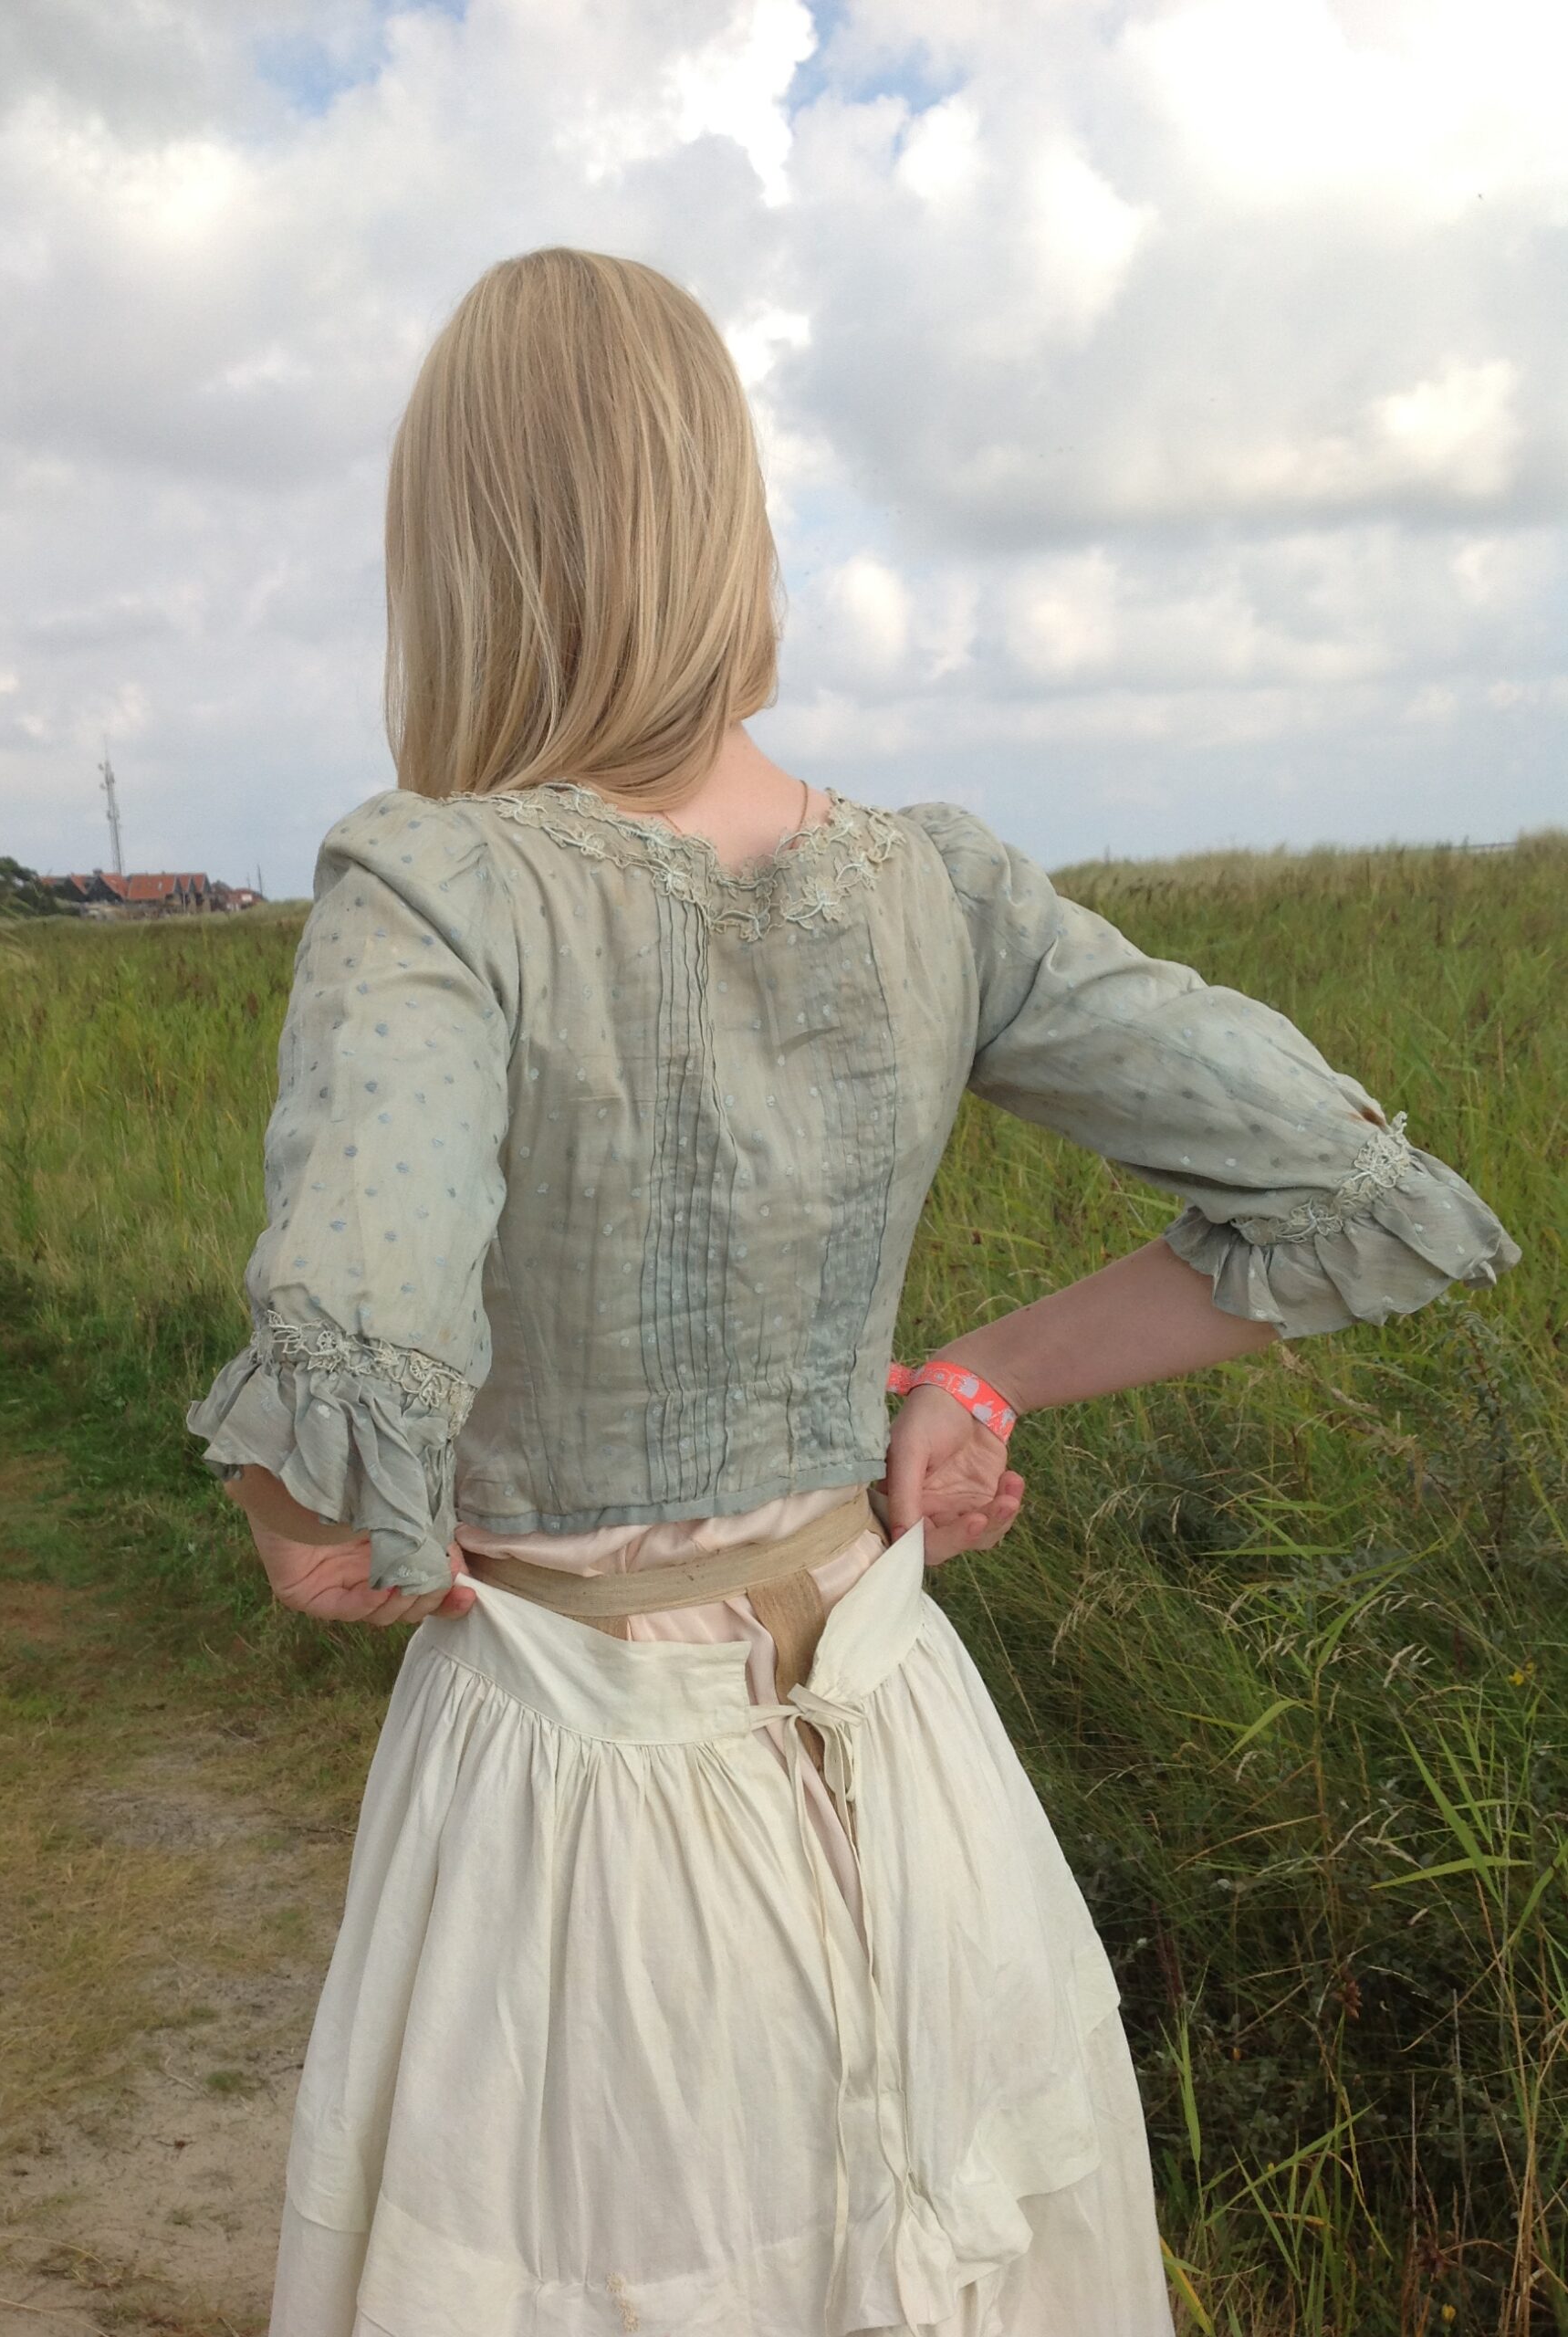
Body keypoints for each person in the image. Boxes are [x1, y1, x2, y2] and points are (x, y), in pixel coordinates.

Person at [185, 247, 1521, 2337]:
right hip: (904, 1757)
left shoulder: (435, 883)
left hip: (582, 1817)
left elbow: (348, 1394)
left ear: (455, 551)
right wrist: (977, 1375)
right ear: (726, 522)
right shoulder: (936, 883)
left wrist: (306, 1523)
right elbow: (1360, 1192)